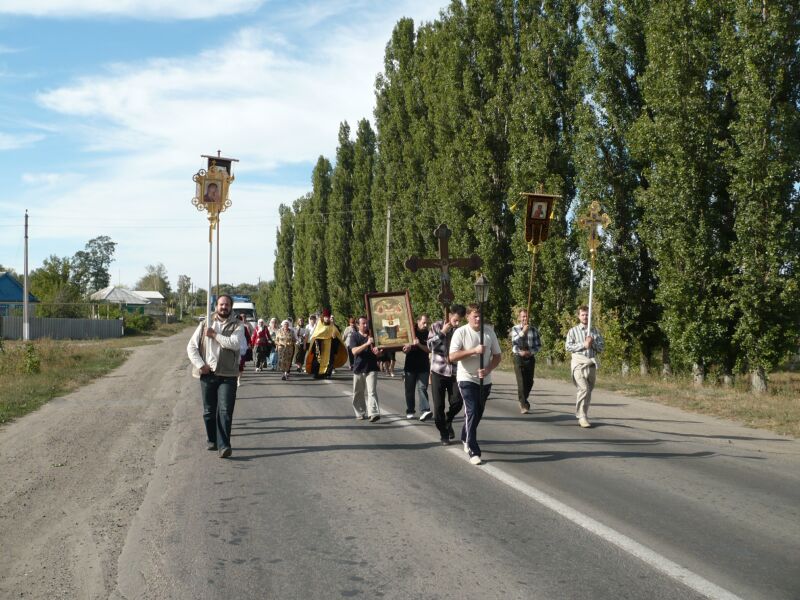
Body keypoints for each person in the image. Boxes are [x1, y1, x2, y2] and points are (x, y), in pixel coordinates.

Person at [186, 295, 244, 458]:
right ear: (216, 306)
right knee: (209, 412)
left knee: (225, 411)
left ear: (231, 307)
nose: (224, 307)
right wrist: (200, 365)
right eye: (221, 304)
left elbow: (234, 344)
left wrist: (214, 335)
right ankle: (212, 439)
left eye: (226, 304)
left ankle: (224, 445)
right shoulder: (205, 323)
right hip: (208, 374)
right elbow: (191, 347)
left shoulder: (237, 325)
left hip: (228, 375)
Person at [449, 303, 502, 465]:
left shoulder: (489, 332)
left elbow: (497, 356)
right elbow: (452, 356)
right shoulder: (461, 332)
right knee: (471, 410)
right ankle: (473, 449)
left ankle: (466, 436)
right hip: (466, 378)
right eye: (475, 316)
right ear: (468, 317)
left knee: (477, 412)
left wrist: (487, 369)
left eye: (480, 316)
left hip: (484, 380)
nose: (478, 319)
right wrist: (473, 351)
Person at [427, 304, 465, 445]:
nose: (458, 323)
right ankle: (444, 433)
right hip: (438, 371)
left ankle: (448, 420)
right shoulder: (436, 326)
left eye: (460, 320)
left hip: (455, 372)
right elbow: (430, 346)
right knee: (438, 408)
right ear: (449, 315)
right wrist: (442, 332)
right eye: (456, 319)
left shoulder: (461, 330)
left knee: (457, 402)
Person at [565, 305, 605, 428]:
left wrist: (592, 343)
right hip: (578, 363)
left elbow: (601, 348)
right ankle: (581, 416)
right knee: (583, 389)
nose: (585, 317)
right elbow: (568, 347)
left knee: (589, 390)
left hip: (591, 363)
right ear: (578, 316)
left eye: (587, 314)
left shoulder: (595, 331)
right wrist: (584, 344)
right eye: (583, 314)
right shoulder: (573, 331)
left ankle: (584, 414)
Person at [348, 316, 385, 422]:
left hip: (372, 367)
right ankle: (360, 412)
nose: (365, 325)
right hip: (359, 368)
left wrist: (378, 354)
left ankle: (373, 413)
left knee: (372, 391)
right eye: (363, 324)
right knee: (358, 392)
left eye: (366, 323)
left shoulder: (373, 336)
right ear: (358, 325)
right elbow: (354, 351)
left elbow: (380, 354)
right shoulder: (354, 336)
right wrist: (366, 344)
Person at [511, 309, 542, 414]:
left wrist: (531, 352)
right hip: (518, 357)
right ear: (519, 318)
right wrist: (523, 331)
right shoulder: (515, 329)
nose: (525, 318)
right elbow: (514, 342)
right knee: (521, 382)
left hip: (530, 357)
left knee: (529, 382)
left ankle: (523, 399)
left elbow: (538, 345)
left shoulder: (534, 330)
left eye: (526, 316)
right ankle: (523, 404)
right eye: (523, 316)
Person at [402, 313, 432, 421]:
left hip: (423, 366)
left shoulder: (429, 333)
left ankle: (425, 411)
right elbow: (403, 347)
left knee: (422, 388)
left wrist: (418, 344)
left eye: (427, 323)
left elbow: (429, 350)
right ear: (418, 321)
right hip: (410, 366)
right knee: (409, 390)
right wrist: (406, 349)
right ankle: (410, 410)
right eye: (423, 322)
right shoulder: (410, 330)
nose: (425, 325)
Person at [306, 308, 347, 379]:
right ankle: (317, 373)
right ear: (323, 317)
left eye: (328, 317)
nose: (327, 319)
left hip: (330, 347)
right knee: (318, 360)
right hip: (320, 346)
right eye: (326, 317)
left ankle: (327, 374)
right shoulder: (319, 324)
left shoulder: (332, 326)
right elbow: (315, 335)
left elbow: (337, 336)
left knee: (329, 360)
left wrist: (335, 337)